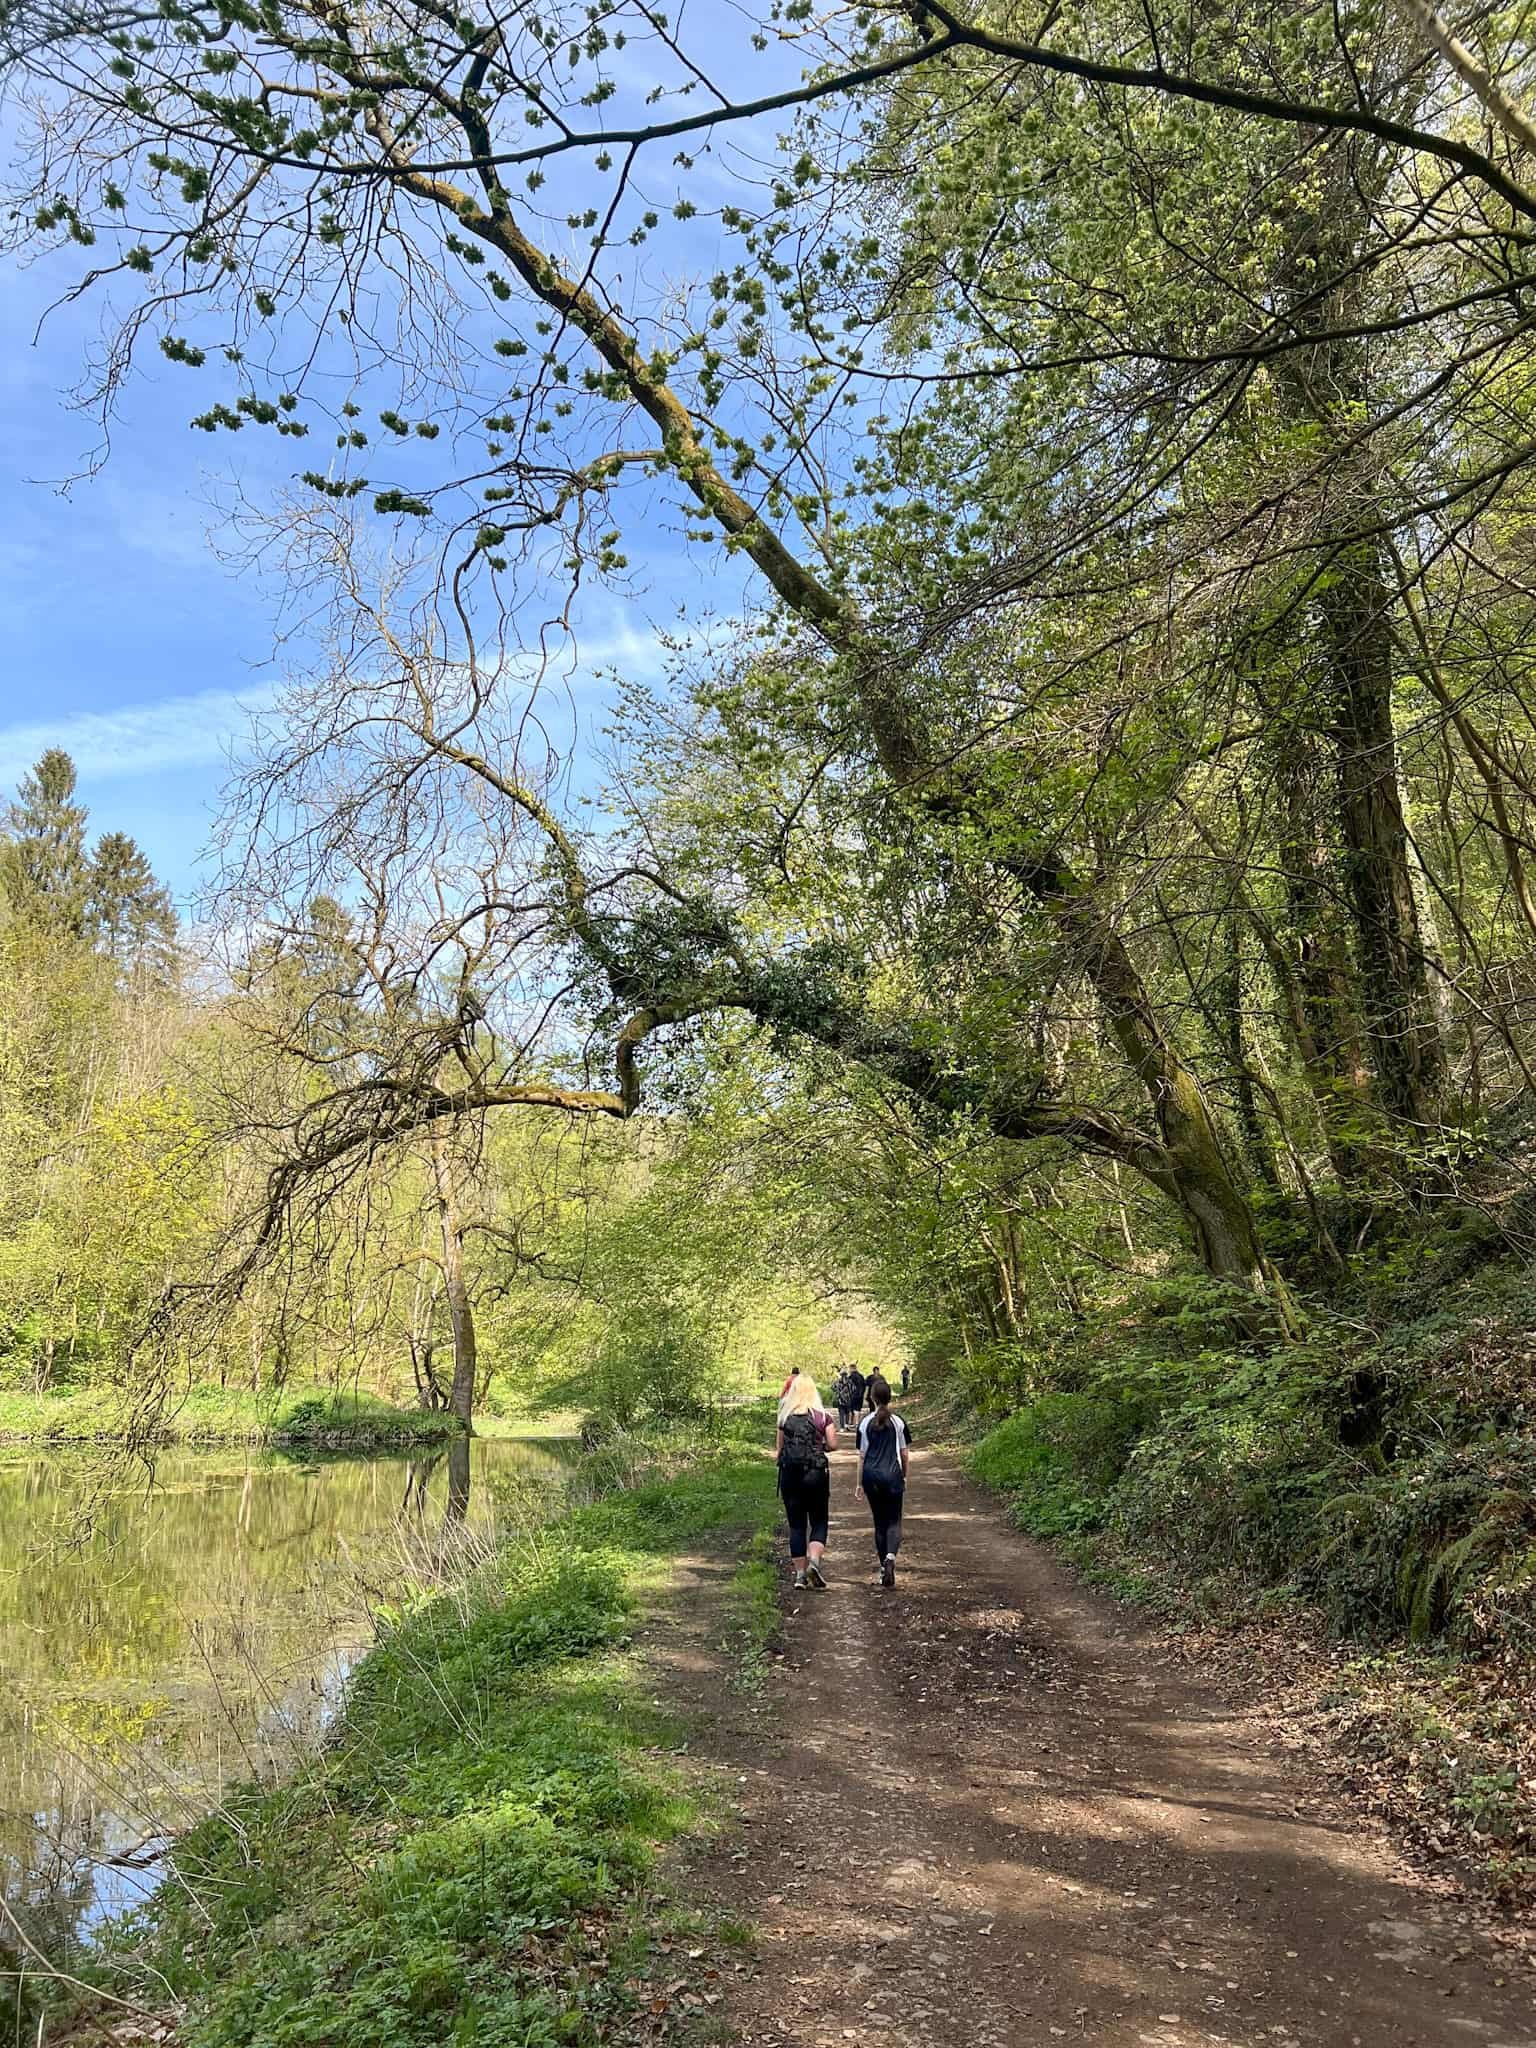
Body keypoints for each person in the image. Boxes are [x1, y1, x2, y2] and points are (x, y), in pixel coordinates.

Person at [776, 1372, 838, 1590]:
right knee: (819, 1520)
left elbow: (779, 1451)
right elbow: (833, 1444)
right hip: (816, 1475)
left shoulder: (785, 1417)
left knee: (796, 1525)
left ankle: (800, 1576)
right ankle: (814, 1562)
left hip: (790, 1475)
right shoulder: (822, 1416)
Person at [856, 1375, 913, 1588]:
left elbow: (862, 1455)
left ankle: (882, 1567)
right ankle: (890, 1557)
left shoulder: (864, 1423)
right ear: (890, 1398)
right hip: (892, 1475)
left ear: (871, 1398)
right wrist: (904, 1475)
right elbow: (904, 1453)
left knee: (879, 1522)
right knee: (894, 1520)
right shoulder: (898, 1422)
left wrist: (859, 1483)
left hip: (871, 1476)